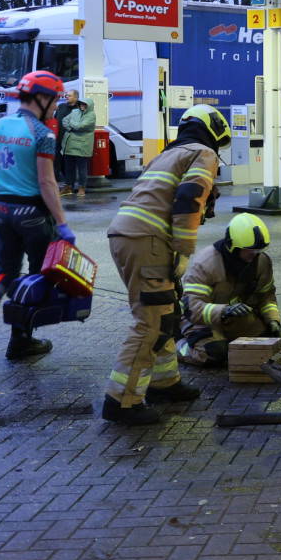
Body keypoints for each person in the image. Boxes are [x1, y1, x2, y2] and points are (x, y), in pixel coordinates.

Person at [102, 104, 229, 425]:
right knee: (151, 320)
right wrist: (183, 252)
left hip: (127, 234)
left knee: (168, 312)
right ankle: (122, 401)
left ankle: (164, 382)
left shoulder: (169, 153)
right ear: (212, 130)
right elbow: (188, 198)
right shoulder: (203, 153)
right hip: (149, 239)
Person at [0, 70, 75, 362]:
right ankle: (20, 340)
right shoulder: (43, 133)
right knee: (34, 277)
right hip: (32, 214)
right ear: (41, 98)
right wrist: (62, 223)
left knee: (4, 271)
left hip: (1, 210)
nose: (57, 105)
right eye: (55, 99)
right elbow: (46, 182)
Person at [177, 213, 281, 367]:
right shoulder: (206, 264)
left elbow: (266, 296)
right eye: (250, 250)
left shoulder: (261, 262)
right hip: (202, 322)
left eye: (258, 250)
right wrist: (224, 311)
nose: (255, 255)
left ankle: (229, 341)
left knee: (269, 343)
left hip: (235, 319)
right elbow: (193, 309)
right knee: (214, 352)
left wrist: (272, 320)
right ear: (233, 247)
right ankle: (177, 346)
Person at [59, 92, 95, 198]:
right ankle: (68, 187)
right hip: (69, 144)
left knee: (82, 168)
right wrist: (72, 127)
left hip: (82, 146)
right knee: (69, 167)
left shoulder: (91, 115)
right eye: (81, 104)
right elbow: (64, 121)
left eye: (85, 104)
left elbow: (80, 126)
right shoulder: (75, 111)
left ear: (89, 106)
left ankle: (81, 188)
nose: (82, 106)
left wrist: (71, 125)